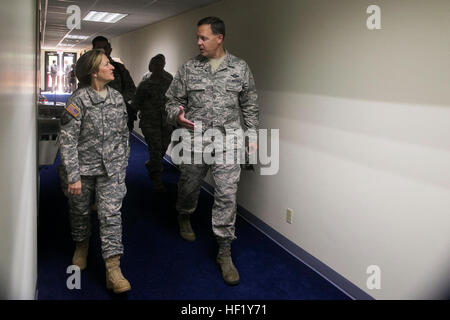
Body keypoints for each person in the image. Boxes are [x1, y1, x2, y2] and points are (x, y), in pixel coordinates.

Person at [165, 17, 259, 285]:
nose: (198, 42)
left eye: (203, 37)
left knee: (227, 194)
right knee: (189, 184)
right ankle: (184, 214)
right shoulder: (188, 68)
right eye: (197, 37)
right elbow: (172, 100)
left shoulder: (239, 68)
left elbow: (250, 105)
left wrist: (251, 136)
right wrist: (177, 116)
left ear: (220, 38)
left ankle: (224, 250)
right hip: (195, 140)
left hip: (228, 140)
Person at [58, 49, 131, 294]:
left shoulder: (117, 99)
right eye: (107, 64)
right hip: (83, 170)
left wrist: (122, 166)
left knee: (111, 216)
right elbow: (67, 140)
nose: (112, 67)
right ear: (93, 72)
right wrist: (73, 176)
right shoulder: (77, 100)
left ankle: (113, 269)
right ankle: (81, 246)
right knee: (79, 212)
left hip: (111, 170)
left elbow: (124, 136)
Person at [133, 54, 173, 192]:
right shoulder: (145, 84)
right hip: (150, 122)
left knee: (163, 147)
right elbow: (136, 102)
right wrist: (131, 116)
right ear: (151, 66)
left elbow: (174, 99)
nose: (159, 66)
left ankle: (152, 164)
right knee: (155, 149)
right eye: (156, 64)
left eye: (161, 63)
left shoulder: (169, 81)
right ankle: (157, 179)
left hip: (166, 122)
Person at [92, 36, 137, 132]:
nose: (102, 51)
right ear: (93, 50)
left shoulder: (119, 68)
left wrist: (117, 100)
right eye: (99, 48)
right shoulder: (88, 69)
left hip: (118, 118)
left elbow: (131, 89)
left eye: (105, 47)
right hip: (95, 119)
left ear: (110, 49)